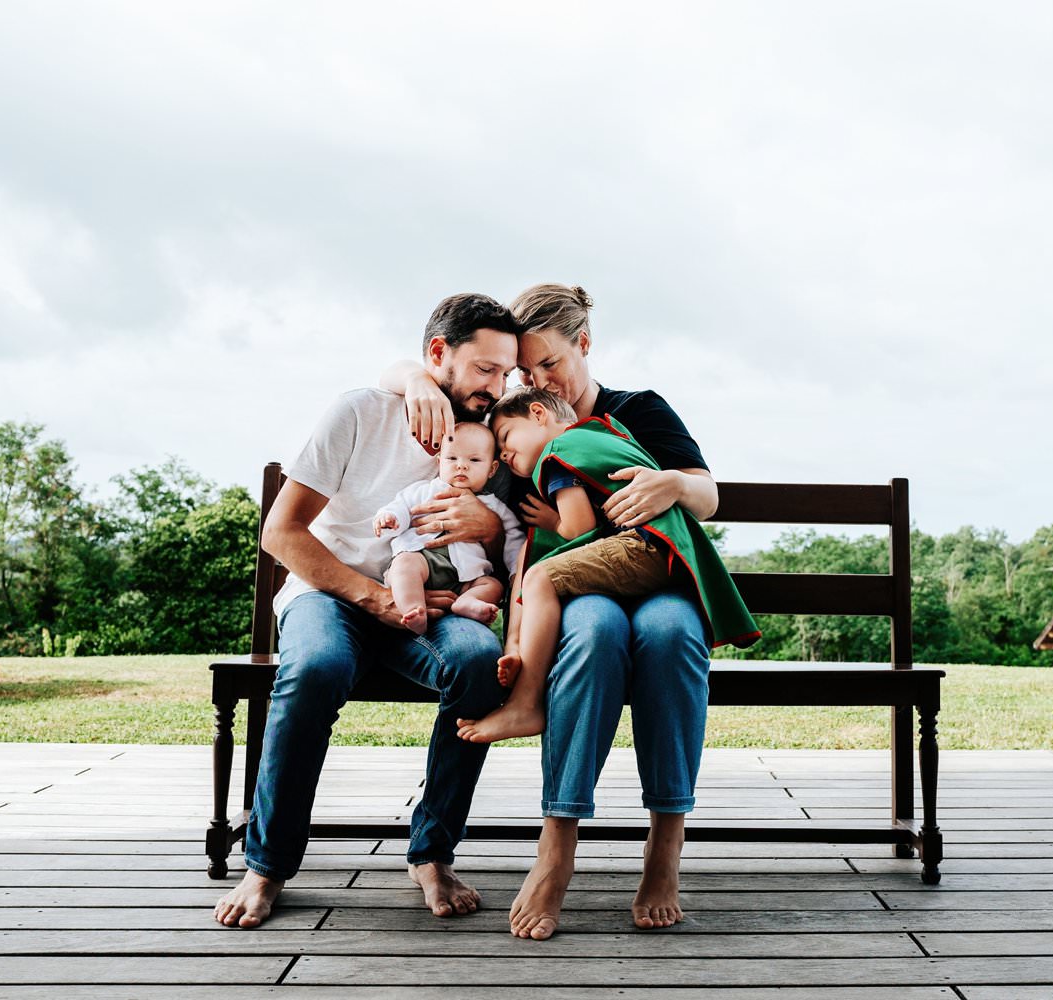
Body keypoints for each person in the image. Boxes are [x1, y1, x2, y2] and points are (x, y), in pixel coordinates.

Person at [381, 283, 724, 939]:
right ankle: (556, 849)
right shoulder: (517, 425)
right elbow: (495, 509)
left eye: (550, 364)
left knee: (673, 632)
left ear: (584, 346)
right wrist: (413, 383)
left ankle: (665, 849)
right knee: (593, 632)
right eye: (524, 369)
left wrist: (673, 482)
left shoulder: (635, 412)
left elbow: (706, 494)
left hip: (658, 581)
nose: (536, 378)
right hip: (576, 595)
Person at [214, 293, 519, 929]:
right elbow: (283, 534)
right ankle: (266, 866)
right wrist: (376, 598)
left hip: (434, 606)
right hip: (330, 595)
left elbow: (514, 544)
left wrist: (487, 524)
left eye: (506, 372)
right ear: (437, 354)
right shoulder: (361, 412)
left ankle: (431, 854)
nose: (497, 385)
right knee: (318, 667)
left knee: (477, 662)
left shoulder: (494, 436)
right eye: (485, 369)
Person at [456, 387, 757, 744]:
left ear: (539, 414)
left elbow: (579, 527)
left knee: (538, 578)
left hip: (643, 546)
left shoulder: (556, 454)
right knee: (538, 567)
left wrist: (553, 523)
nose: (505, 454)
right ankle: (519, 655)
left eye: (506, 438)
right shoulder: (603, 432)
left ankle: (525, 703)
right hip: (669, 546)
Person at [374, 421, 524, 634]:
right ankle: (413, 611)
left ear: (491, 469)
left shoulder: (494, 507)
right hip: (422, 558)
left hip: (465, 576)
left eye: (474, 460)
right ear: (439, 462)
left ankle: (467, 602)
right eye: (452, 458)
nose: (461, 465)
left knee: (492, 585)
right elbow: (401, 506)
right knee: (404, 565)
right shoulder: (425, 490)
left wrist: (515, 572)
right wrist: (390, 518)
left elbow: (514, 539)